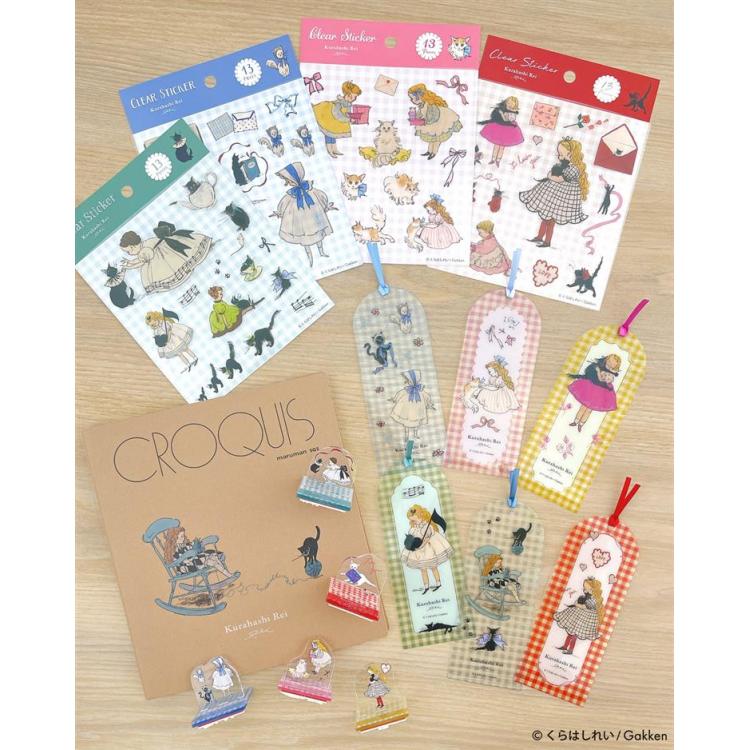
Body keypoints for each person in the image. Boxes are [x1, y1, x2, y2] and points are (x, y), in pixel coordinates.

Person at [519, 137, 589, 247]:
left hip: (563, 198)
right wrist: (552, 175)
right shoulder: (563, 165)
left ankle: (547, 241)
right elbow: (552, 174)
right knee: (545, 217)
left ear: (571, 154)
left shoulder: (574, 169)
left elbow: (559, 179)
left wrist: (551, 176)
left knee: (551, 221)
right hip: (554, 194)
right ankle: (539, 237)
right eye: (559, 154)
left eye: (561, 154)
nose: (559, 157)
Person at [119, 222, 211, 293]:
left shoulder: (144, 250)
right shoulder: (146, 244)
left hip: (162, 257)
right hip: (161, 252)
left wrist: (129, 266)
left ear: (133, 246)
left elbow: (141, 262)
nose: (129, 254)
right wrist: (130, 262)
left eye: (128, 251)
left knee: (170, 268)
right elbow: (140, 259)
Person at [272, 162, 333, 266]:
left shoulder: (309, 189)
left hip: (314, 218)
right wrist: (280, 211)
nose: (287, 183)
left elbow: (321, 195)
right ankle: (310, 259)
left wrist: (325, 205)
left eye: (289, 180)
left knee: (318, 235)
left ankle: (321, 252)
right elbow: (284, 202)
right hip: (301, 221)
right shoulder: (292, 194)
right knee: (305, 239)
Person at [401, 505, 454, 594]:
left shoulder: (427, 527)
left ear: (420, 515)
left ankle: (438, 583)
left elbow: (427, 539)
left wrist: (421, 545)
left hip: (428, 550)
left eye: (414, 519)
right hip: (418, 552)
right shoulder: (413, 528)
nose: (413, 521)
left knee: (433, 567)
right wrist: (411, 545)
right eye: (411, 520)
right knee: (423, 569)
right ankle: (426, 586)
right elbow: (411, 538)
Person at [567, 354, 621, 431]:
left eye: (612, 364)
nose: (610, 364)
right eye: (609, 361)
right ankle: (575, 421)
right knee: (583, 406)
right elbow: (593, 374)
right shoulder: (599, 366)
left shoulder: (611, 373)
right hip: (591, 387)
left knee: (589, 410)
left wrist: (600, 373)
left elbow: (603, 380)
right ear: (606, 360)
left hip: (601, 391)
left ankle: (581, 424)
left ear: (615, 366)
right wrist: (598, 371)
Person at [407, 83, 463, 159]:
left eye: (412, 98)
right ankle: (429, 151)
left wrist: (422, 122)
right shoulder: (422, 104)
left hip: (439, 122)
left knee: (437, 139)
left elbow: (433, 117)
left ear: (419, 97)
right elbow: (421, 113)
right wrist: (415, 118)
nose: (411, 100)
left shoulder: (430, 105)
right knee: (432, 138)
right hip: (432, 123)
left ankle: (434, 152)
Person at [554, 577, 604, 655]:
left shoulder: (593, 599)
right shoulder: (587, 595)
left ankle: (570, 650)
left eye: (587, 588)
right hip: (580, 614)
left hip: (586, 618)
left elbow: (585, 606)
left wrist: (577, 604)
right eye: (584, 587)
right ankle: (565, 646)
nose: (584, 589)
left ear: (592, 589)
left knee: (575, 634)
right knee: (571, 631)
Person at [312, 81, 362, 157]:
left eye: (355, 97)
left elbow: (346, 113)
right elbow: (338, 115)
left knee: (333, 134)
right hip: (329, 119)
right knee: (329, 134)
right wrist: (348, 119)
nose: (354, 99)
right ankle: (330, 150)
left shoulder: (347, 104)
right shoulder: (339, 103)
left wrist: (351, 117)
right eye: (354, 97)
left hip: (335, 122)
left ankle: (334, 149)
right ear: (349, 95)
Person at [389, 369, 435, 441]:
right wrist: (394, 399)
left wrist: (430, 404)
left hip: (417, 409)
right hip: (407, 409)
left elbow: (427, 396)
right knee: (406, 421)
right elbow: (400, 393)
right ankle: (406, 436)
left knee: (416, 421)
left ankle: (415, 435)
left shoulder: (420, 390)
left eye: (407, 381)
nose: (406, 382)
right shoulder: (407, 390)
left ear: (412, 381)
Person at [478, 96, 524, 164]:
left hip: (508, 128)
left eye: (512, 105)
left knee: (502, 146)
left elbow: (506, 120)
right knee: (496, 145)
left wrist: (502, 114)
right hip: (499, 127)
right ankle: (493, 159)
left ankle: (498, 160)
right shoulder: (502, 109)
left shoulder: (512, 113)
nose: (509, 106)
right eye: (508, 104)